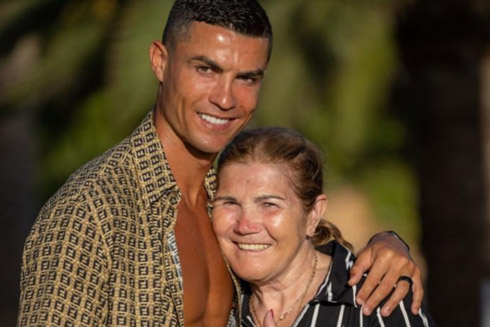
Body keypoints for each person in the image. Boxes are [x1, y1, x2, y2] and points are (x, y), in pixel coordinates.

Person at [18, 1, 422, 327]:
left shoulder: (225, 200)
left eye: (246, 78)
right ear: (160, 61)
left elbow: (300, 256)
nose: (225, 99)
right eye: (206, 69)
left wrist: (388, 245)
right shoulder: (92, 210)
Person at [213, 127, 435, 327]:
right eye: (230, 203)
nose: (244, 226)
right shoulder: (209, 297)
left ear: (313, 214)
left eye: (269, 204)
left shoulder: (376, 300)